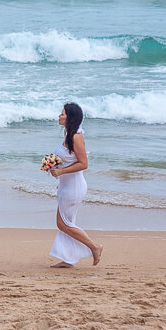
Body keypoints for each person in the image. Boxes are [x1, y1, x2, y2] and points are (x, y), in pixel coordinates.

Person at [48, 102, 103, 268]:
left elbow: (83, 163)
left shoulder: (76, 137)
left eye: (62, 114)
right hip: (67, 185)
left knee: (63, 223)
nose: (59, 116)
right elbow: (70, 160)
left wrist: (61, 172)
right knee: (67, 222)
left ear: (70, 118)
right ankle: (69, 259)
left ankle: (94, 246)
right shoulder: (69, 135)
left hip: (74, 186)